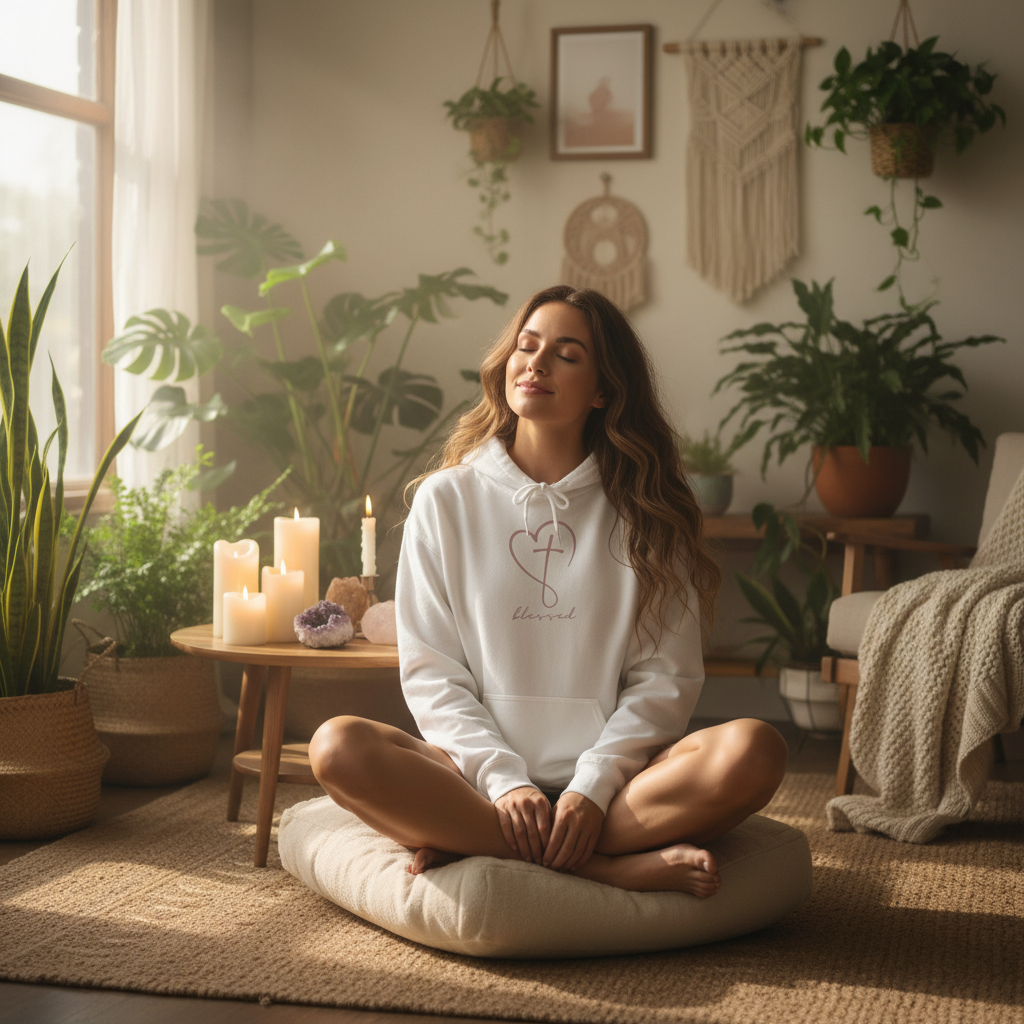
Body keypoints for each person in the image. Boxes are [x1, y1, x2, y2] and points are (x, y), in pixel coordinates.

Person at [309, 285, 788, 897]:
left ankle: (481, 840)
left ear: (604, 390)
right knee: (337, 746)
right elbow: (432, 674)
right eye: (526, 346)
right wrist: (506, 781)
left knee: (755, 748)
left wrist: (591, 786)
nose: (535, 362)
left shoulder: (646, 512)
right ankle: (601, 867)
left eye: (566, 354)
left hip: (617, 791)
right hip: (477, 781)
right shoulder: (446, 499)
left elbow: (664, 682)